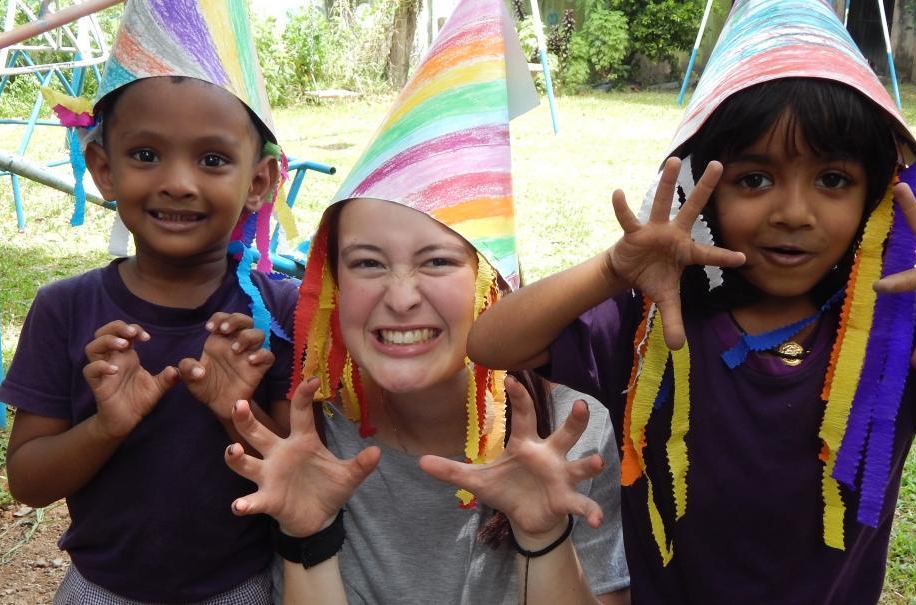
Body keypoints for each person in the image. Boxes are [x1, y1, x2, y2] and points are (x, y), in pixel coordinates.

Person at [466, 0, 916, 603]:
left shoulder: (894, 336)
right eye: (754, 179)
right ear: (701, 194)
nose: (793, 213)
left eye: (832, 180)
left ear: (875, 198)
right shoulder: (651, 322)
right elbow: (491, 341)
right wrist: (610, 269)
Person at [222, 0, 629, 602]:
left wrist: (543, 537)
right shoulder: (322, 438)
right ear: (333, 288)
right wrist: (306, 534)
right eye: (367, 264)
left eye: (438, 261)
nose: (402, 297)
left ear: (490, 284)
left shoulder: (565, 433)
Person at [0, 1, 295, 602]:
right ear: (103, 170)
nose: (178, 181)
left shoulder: (279, 315)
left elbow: (301, 473)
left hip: (242, 588)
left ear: (259, 182)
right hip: (99, 589)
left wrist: (237, 411)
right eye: (145, 155)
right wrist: (105, 428)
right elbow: (28, 481)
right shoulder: (64, 309)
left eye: (212, 160)